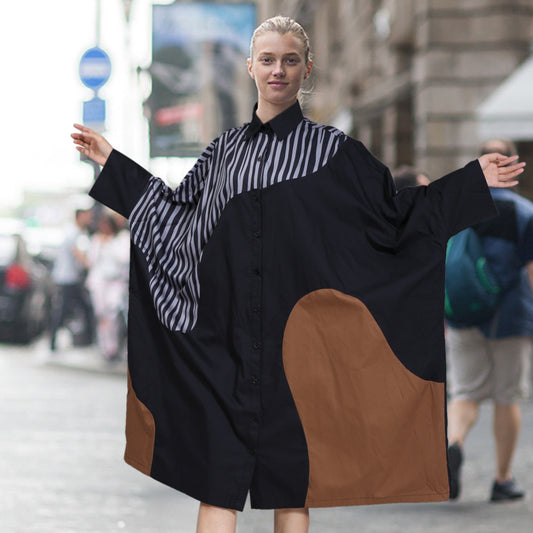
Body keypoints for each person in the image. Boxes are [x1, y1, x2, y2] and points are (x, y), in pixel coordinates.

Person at [71, 16, 525, 533]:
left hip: (297, 353)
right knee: (217, 481)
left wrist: (470, 184)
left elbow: (397, 218)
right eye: (267, 59)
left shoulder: (336, 154)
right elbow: (176, 216)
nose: (278, 70)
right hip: (226, 347)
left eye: (290, 60)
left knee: (293, 483)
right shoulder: (224, 155)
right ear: (250, 68)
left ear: (307, 68)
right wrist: (116, 166)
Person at [446, 138, 533, 503]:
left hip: (461, 310)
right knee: (505, 396)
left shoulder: (453, 206)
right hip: (509, 315)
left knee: (465, 392)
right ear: (512, 164)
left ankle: (453, 444)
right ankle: (502, 479)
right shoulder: (525, 212)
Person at [86, 213, 130, 361]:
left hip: (116, 282)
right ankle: (105, 347)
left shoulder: (121, 238)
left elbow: (124, 258)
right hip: (99, 282)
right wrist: (100, 244)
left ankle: (114, 346)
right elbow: (91, 260)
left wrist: (110, 243)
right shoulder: (96, 239)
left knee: (113, 313)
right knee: (101, 315)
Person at [49, 208, 94, 351]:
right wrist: (92, 265)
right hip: (67, 278)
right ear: (79, 216)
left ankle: (88, 340)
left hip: (70, 277)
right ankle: (53, 341)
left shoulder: (77, 232)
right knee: (64, 310)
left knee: (81, 308)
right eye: (87, 216)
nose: (89, 219)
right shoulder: (73, 232)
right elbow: (78, 254)